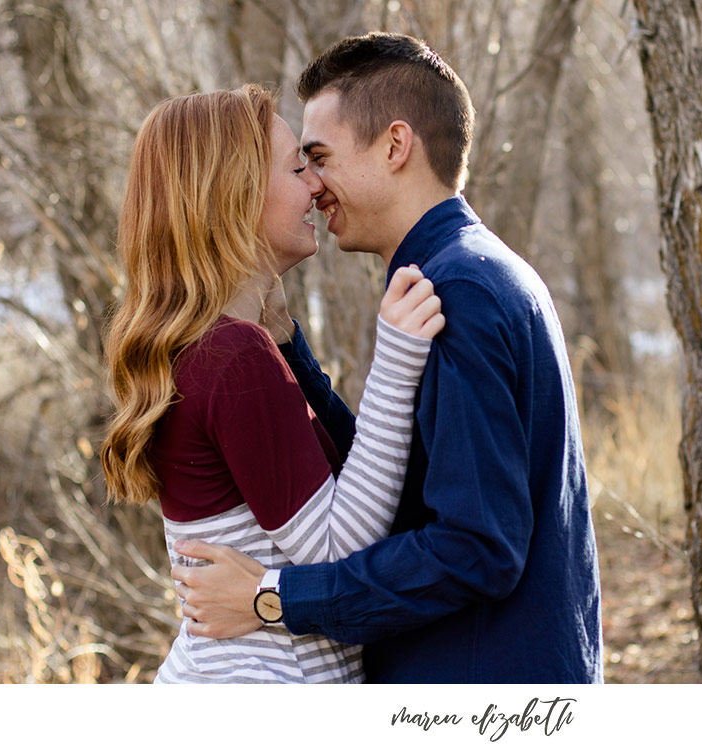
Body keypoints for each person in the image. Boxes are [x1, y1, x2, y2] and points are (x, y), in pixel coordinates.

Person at [172, 33, 603, 683]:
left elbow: (476, 547)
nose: (311, 185)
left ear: (396, 146)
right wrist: (295, 353)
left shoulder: (458, 292)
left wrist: (274, 600)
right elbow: (401, 487)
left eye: (318, 157)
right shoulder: (458, 272)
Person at [99, 84, 445, 683]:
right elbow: (339, 547)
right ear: (234, 197)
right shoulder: (233, 357)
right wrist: (394, 362)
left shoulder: (208, 346)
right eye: (294, 168)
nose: (315, 184)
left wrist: (288, 341)